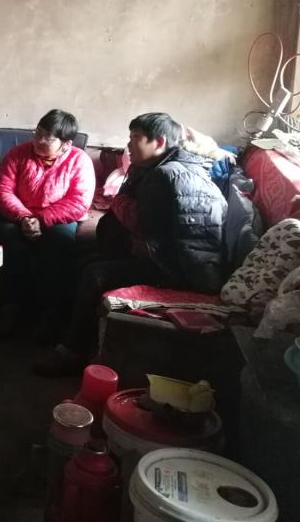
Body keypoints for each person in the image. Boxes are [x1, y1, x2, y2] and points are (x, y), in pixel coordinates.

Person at [34, 112, 227, 376]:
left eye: (135, 138)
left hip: (180, 268)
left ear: (159, 142)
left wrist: (120, 203)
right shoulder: (155, 167)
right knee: (81, 258)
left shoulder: (167, 174)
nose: (128, 145)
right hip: (166, 256)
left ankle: (71, 351)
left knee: (95, 273)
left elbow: (142, 224)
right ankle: (64, 333)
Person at [0, 109, 96, 339]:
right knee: (6, 238)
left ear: (66, 144)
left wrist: (41, 219)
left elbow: (79, 201)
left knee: (60, 242)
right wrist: (24, 217)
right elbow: (3, 190)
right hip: (19, 215)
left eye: (47, 138)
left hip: (57, 218)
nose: (38, 141)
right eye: (37, 134)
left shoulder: (80, 161)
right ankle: (8, 309)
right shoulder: (18, 153)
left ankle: (49, 315)